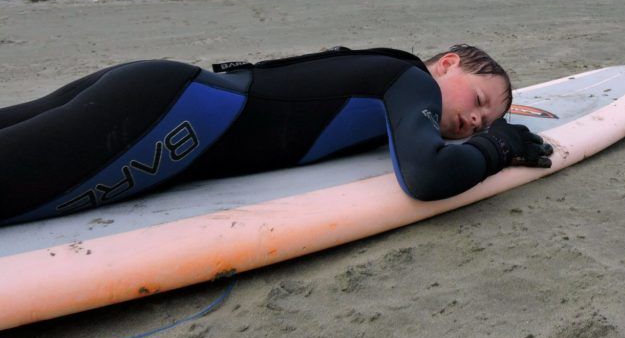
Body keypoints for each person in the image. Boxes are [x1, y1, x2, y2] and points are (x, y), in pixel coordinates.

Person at [0, 44, 553, 226]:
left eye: (487, 119)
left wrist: (490, 127)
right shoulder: (411, 82)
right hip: (168, 120)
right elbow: (428, 176)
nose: (478, 120)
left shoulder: (386, 79)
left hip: (156, 90)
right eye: (480, 100)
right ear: (446, 64)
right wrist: (498, 147)